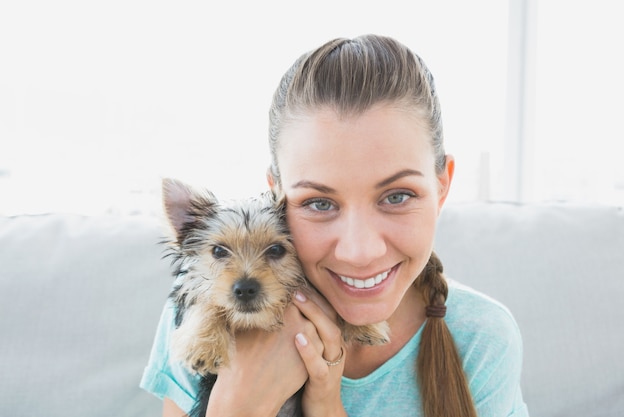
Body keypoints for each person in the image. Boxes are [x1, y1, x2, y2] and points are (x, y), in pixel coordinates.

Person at [141, 34, 529, 417]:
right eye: (319, 203)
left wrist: (326, 406)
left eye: (397, 196)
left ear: (442, 185)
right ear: (277, 197)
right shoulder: (200, 311)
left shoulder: (480, 339)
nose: (360, 252)